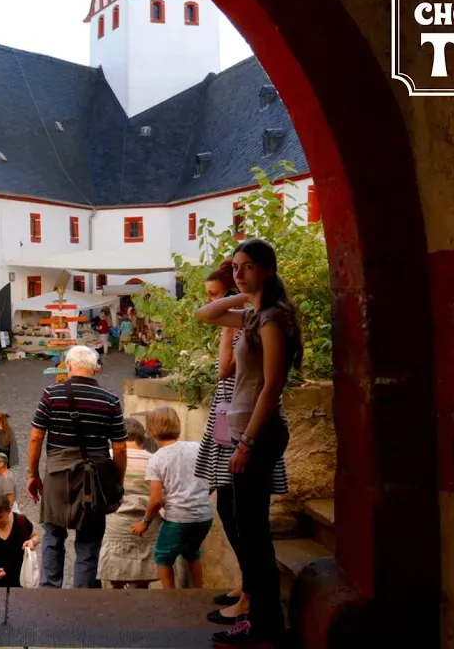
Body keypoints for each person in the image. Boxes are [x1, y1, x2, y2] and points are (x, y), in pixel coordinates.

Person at [195, 238, 302, 647]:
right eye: (236, 267)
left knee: (253, 532)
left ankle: (264, 624)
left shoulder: (273, 319)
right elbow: (205, 314)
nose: (239, 272)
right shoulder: (255, 316)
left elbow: (273, 383)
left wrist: (248, 443)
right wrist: (244, 292)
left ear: (268, 270)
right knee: (247, 526)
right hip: (240, 431)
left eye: (248, 266)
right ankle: (259, 619)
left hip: (256, 435)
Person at [26, 345, 128, 589]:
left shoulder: (52, 394)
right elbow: (121, 448)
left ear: (69, 366)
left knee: (53, 533)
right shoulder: (111, 400)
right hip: (95, 477)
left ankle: (50, 589)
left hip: (58, 473)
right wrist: (117, 483)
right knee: (89, 541)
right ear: (95, 370)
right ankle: (83, 597)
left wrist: (33, 474)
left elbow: (36, 437)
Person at [133, 407, 214, 590]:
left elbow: (156, 500)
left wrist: (145, 522)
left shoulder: (157, 459)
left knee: (163, 556)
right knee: (192, 552)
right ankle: (198, 593)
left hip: (178, 518)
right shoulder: (197, 448)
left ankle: (170, 599)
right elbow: (214, 477)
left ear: (151, 429)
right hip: (204, 516)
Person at [98, 418, 160, 588]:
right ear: (143, 437)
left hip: (115, 521)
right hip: (147, 522)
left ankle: (117, 611)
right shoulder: (154, 459)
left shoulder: (109, 457)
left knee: (115, 576)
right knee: (141, 576)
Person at [0, 493, 39, 588]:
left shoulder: (20, 521)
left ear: (9, 511)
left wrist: (32, 542)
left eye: (0, 517)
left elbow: (35, 537)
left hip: (21, 583)